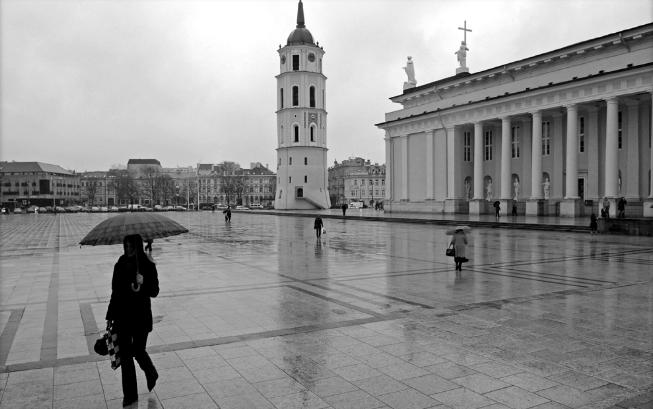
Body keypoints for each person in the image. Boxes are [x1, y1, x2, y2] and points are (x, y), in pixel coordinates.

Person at [106, 234, 159, 407]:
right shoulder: (120, 264)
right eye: (126, 246)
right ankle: (130, 395)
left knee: (138, 350)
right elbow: (115, 292)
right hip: (122, 317)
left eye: (131, 246)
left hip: (141, 317)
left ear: (137, 246)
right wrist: (110, 316)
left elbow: (154, 291)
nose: (128, 249)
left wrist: (143, 283)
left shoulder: (147, 265)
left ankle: (150, 372)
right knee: (126, 357)